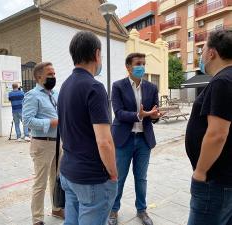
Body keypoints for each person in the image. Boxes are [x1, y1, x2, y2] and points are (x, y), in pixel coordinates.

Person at [58, 31, 118, 225]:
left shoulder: (65, 86)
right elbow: (105, 141)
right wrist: (113, 172)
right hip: (91, 177)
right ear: (97, 54)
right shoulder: (94, 87)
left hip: (68, 171)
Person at [108, 53, 164, 225]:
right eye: (138, 63)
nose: (142, 67)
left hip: (143, 140)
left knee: (141, 178)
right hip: (124, 139)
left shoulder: (151, 88)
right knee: (119, 177)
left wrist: (155, 116)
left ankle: (142, 210)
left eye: (143, 63)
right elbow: (118, 113)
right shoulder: (118, 86)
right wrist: (139, 115)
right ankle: (113, 211)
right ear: (128, 67)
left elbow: (154, 114)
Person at [186, 30, 232, 225]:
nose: (201, 55)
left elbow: (217, 134)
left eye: (202, 49)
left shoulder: (222, 81)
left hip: (215, 180)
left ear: (212, 53)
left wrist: (201, 171)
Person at [23, 62, 64, 225]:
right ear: (39, 77)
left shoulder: (55, 94)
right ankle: (37, 218)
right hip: (41, 144)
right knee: (40, 183)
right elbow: (27, 121)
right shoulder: (32, 95)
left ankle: (56, 208)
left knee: (57, 178)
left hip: (57, 142)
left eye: (54, 74)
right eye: (50, 74)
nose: (53, 77)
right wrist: (51, 122)